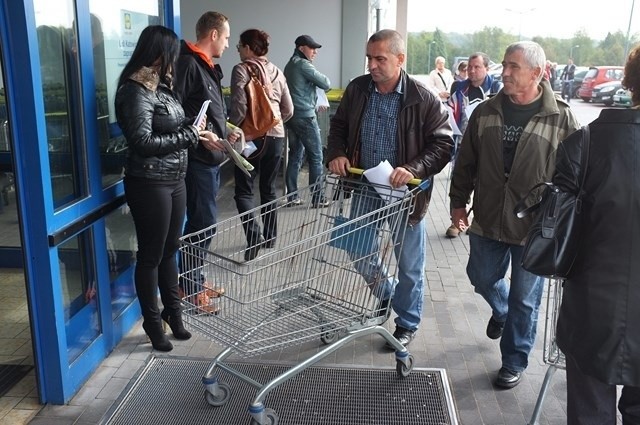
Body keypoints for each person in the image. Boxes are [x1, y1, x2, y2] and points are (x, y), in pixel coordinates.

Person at [448, 41, 580, 388]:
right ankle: (501, 310)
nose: (504, 72)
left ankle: (514, 360)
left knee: (526, 298)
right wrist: (457, 203)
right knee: (481, 277)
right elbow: (465, 163)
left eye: (514, 67)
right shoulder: (486, 112)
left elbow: (575, 176)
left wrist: (564, 220)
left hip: (534, 227)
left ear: (537, 73)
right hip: (488, 218)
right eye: (504, 65)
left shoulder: (562, 117)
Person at [327, 29, 453, 348]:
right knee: (358, 250)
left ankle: (407, 322)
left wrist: (412, 168)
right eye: (369, 58)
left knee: (409, 264)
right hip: (366, 185)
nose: (372, 65)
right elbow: (339, 127)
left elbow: (443, 144)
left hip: (406, 193)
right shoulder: (358, 90)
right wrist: (337, 153)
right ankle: (388, 293)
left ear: (400, 59)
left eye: (380, 59)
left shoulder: (422, 99)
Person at [114, 25, 222, 351]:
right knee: (151, 256)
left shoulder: (161, 87)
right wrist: (188, 137)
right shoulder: (135, 89)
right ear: (159, 53)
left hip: (175, 178)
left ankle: (173, 314)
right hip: (149, 182)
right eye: (172, 54)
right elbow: (143, 141)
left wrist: (193, 127)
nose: (175, 60)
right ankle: (152, 324)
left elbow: (169, 126)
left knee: (170, 250)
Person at [554, 45, 640, 424]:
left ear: (631, 82)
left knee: (589, 410)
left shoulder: (583, 144)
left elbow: (556, 231)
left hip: (591, 308)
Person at [174, 11, 237, 305]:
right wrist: (203, 135)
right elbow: (174, 111)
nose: (227, 43)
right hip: (196, 158)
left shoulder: (207, 65)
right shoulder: (188, 63)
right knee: (203, 222)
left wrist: (226, 130)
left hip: (209, 157)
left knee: (203, 222)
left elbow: (206, 110)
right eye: (225, 37)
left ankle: (193, 279)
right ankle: (189, 287)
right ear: (213, 35)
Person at [228, 29, 293, 261]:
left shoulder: (242, 69)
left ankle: (253, 235)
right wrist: (271, 125)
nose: (237, 50)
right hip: (276, 136)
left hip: (251, 139)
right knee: (268, 187)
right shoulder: (277, 71)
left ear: (247, 48)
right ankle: (271, 236)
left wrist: (234, 130)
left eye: (238, 46)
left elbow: (239, 107)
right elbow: (288, 109)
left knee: (244, 189)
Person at [444, 52, 503, 238]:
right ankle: (457, 223)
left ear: (486, 68)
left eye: (477, 67)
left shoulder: (496, 87)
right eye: (470, 67)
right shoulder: (460, 88)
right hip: (463, 144)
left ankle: (477, 222)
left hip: (489, 147)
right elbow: (449, 110)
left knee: (483, 186)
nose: (472, 70)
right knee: (459, 184)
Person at [284, 34, 331, 207]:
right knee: (316, 157)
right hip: (305, 116)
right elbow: (326, 83)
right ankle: (318, 198)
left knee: (295, 155)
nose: (315, 52)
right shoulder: (303, 65)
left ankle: (292, 196)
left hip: (292, 116)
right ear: (301, 48)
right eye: (312, 48)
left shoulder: (290, 65)